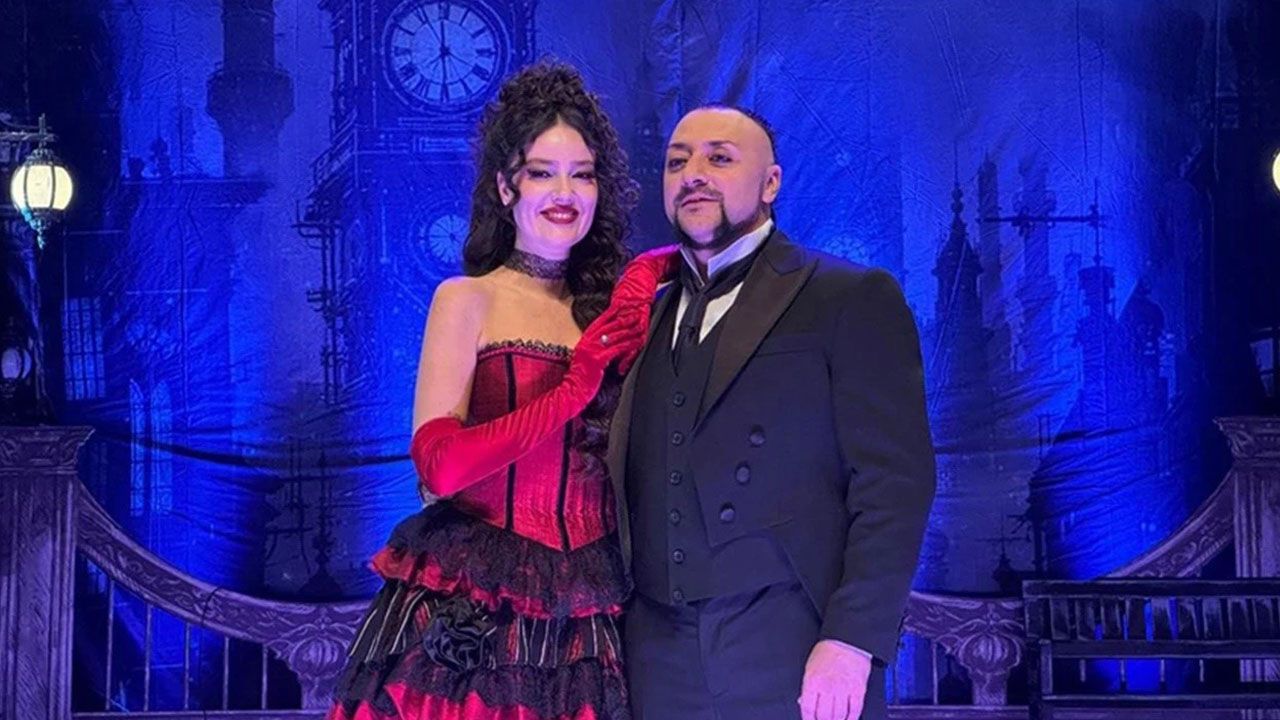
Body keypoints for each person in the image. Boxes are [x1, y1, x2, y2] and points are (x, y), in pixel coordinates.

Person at [327, 62, 674, 720]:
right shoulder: (467, 299)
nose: (565, 192)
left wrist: (656, 272)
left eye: (583, 174)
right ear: (505, 188)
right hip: (476, 599)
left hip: (591, 608)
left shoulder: (607, 311)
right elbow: (439, 470)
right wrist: (574, 386)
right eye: (542, 172)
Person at [608, 104, 936, 720]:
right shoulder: (640, 317)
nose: (693, 173)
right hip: (655, 653)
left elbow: (896, 482)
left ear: (771, 183)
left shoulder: (848, 296)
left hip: (794, 643)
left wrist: (851, 639)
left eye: (719, 158)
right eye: (677, 161)